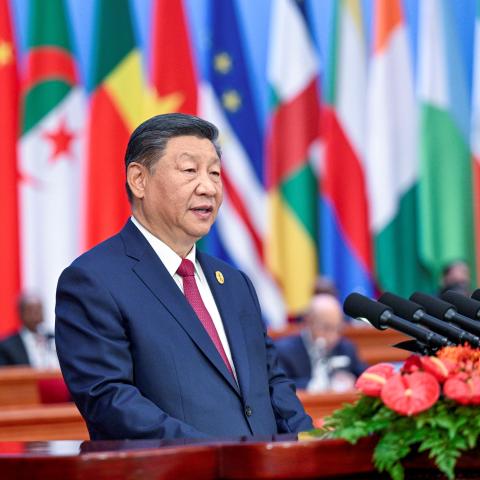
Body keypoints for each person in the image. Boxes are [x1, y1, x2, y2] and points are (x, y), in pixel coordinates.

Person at [55, 113, 313, 440]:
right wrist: (218, 455)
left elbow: (272, 382)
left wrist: (310, 446)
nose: (208, 187)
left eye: (215, 173)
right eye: (190, 170)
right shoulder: (93, 280)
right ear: (139, 180)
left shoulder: (234, 282)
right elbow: (110, 401)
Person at [275, 294, 367, 392]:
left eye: (338, 328)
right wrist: (314, 385)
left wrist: (351, 381)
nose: (333, 336)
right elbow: (281, 387)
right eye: (326, 328)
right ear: (308, 322)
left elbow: (364, 378)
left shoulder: (346, 347)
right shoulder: (284, 351)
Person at [0, 293, 58, 368]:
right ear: (20, 313)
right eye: (31, 311)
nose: (36, 316)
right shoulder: (7, 346)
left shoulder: (55, 339)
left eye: (38, 310)